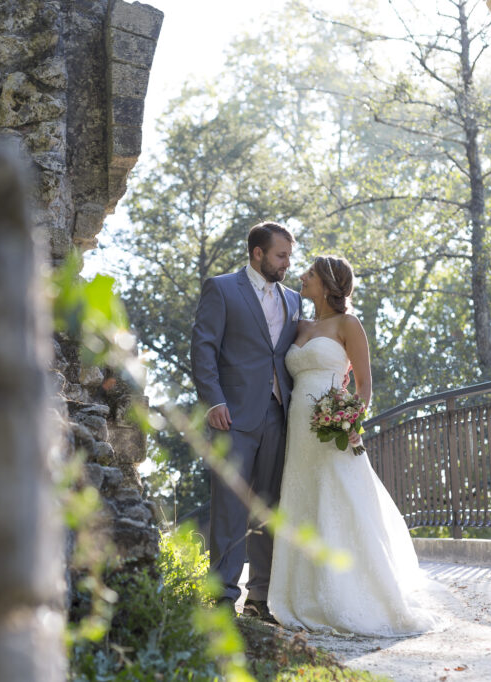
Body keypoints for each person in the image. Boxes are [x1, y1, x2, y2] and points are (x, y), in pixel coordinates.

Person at [267, 255, 444, 636]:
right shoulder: (297, 325)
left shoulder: (349, 324)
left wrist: (350, 421)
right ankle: (302, 595)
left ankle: (352, 595)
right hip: (298, 425)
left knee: (339, 499)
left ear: (327, 283)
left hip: (331, 425)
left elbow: (364, 385)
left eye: (309, 274)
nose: (302, 277)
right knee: (304, 502)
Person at [190, 221, 302, 620]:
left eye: (288, 254)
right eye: (281, 255)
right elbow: (203, 349)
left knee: (270, 505)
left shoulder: (294, 299)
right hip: (232, 416)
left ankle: (260, 597)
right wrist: (213, 400)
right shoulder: (221, 289)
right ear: (258, 253)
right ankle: (222, 595)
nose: (288, 262)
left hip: (278, 414)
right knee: (230, 505)